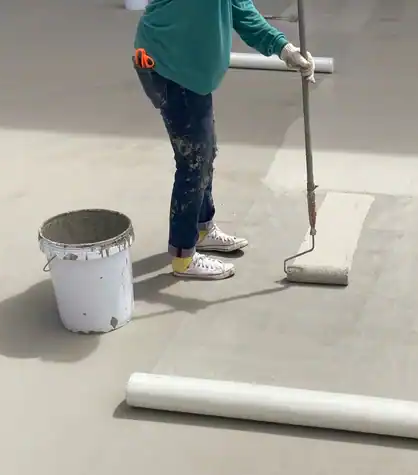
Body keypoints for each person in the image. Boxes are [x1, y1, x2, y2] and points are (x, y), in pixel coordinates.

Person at [132, 0, 315, 280]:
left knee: (205, 154)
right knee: (194, 162)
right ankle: (184, 255)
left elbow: (240, 11)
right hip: (169, 66)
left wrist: (283, 47)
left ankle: (202, 228)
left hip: (191, 73)